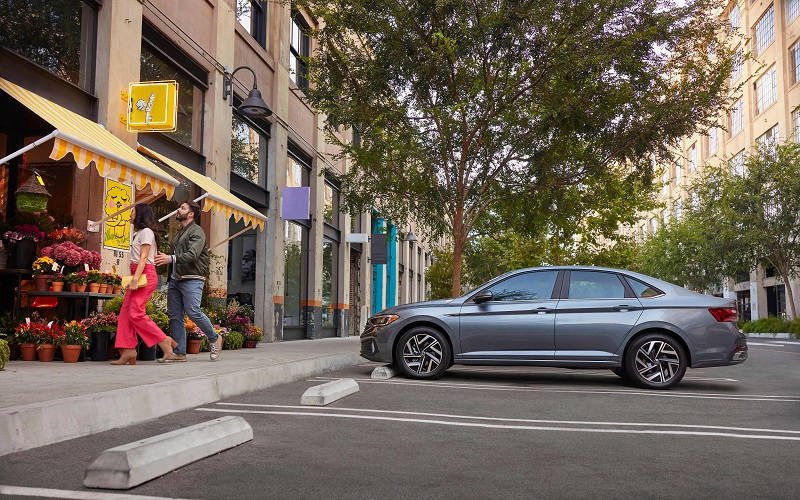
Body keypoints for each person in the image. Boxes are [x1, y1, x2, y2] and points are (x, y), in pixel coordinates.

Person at [154, 200, 224, 361]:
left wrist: (170, 258)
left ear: (191, 214)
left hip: (192, 277)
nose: (178, 210)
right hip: (176, 279)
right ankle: (180, 352)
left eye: (182, 208)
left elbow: (193, 254)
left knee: (193, 311)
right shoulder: (180, 233)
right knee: (175, 315)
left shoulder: (197, 231)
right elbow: (175, 255)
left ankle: (214, 338)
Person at [112, 203, 175, 365]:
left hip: (144, 275)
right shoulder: (139, 233)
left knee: (135, 312)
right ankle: (128, 349)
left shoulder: (147, 232)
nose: (130, 215)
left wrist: (135, 279)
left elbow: (144, 257)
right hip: (139, 274)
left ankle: (164, 340)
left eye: (133, 212)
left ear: (140, 214)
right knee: (126, 312)